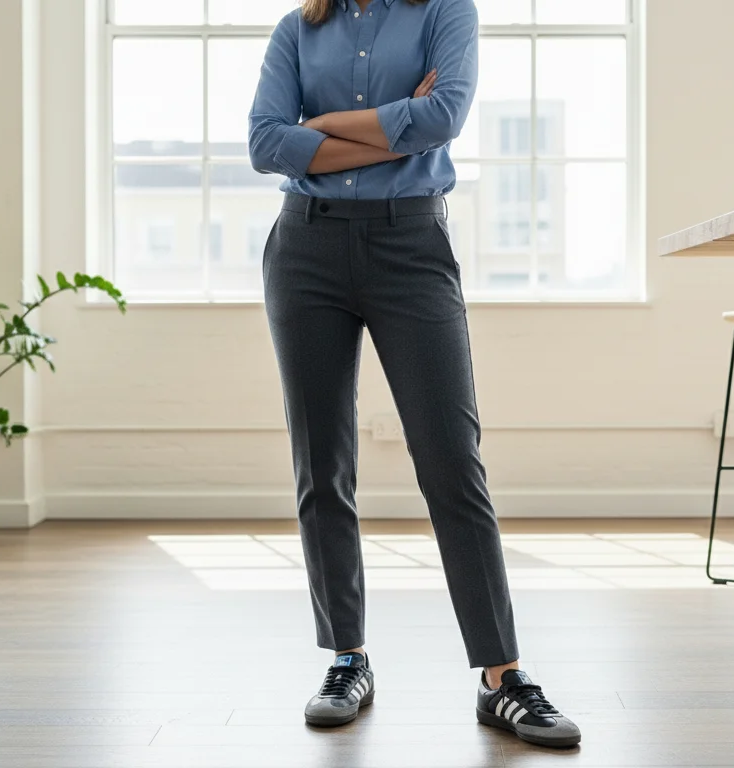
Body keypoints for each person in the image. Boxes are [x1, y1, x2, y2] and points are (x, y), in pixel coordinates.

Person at [248, 0, 581, 749]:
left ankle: (503, 677)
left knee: (451, 462)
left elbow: (446, 117)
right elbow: (265, 143)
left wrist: (325, 129)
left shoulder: (444, 11)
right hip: (305, 249)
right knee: (322, 466)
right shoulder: (298, 30)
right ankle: (346, 658)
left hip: (412, 246)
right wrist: (397, 125)